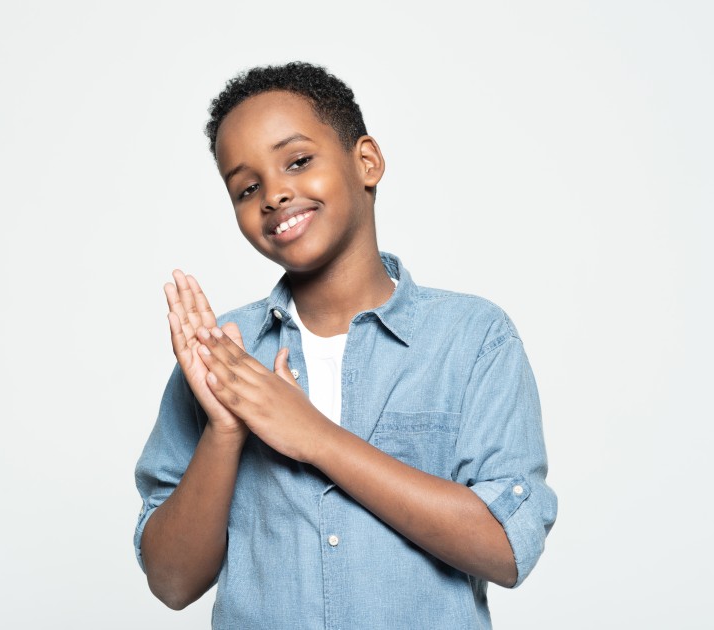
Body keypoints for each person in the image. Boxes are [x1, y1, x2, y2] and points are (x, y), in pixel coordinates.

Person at [135, 61, 557, 629]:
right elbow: (171, 582)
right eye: (247, 188)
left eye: (298, 161)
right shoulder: (222, 355)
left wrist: (314, 436)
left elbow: (507, 548)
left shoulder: (472, 338)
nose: (274, 194)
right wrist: (225, 430)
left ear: (367, 162)